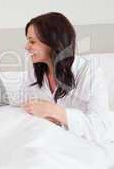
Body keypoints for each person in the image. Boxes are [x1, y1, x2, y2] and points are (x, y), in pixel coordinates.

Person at [22, 12, 114, 142]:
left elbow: (101, 128)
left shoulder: (89, 73)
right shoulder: (34, 73)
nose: (26, 47)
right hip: (47, 140)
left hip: (83, 144)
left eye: (32, 41)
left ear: (52, 43)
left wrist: (56, 112)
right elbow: (27, 112)